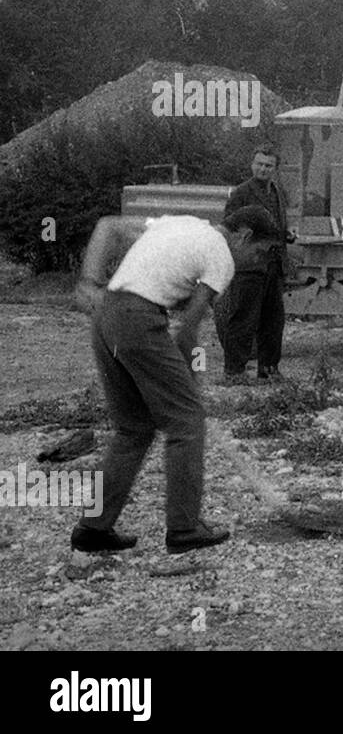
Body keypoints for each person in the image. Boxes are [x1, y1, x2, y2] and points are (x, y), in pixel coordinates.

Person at [68, 211, 262, 554]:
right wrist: (187, 379)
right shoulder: (222, 256)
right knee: (187, 422)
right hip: (138, 319)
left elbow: (108, 226)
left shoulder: (180, 223)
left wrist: (89, 280)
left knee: (134, 429)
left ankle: (93, 528)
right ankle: (185, 529)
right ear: (244, 235)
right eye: (260, 253)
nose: (257, 262)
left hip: (107, 313)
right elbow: (188, 327)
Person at [221, 144, 295, 381]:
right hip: (250, 265)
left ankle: (269, 370)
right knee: (243, 318)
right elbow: (229, 225)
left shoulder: (277, 191)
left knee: (273, 321)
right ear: (252, 165)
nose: (263, 169)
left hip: (274, 264)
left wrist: (288, 232)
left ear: (275, 168)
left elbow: (279, 223)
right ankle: (234, 371)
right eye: (259, 164)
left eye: (268, 165)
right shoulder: (241, 193)